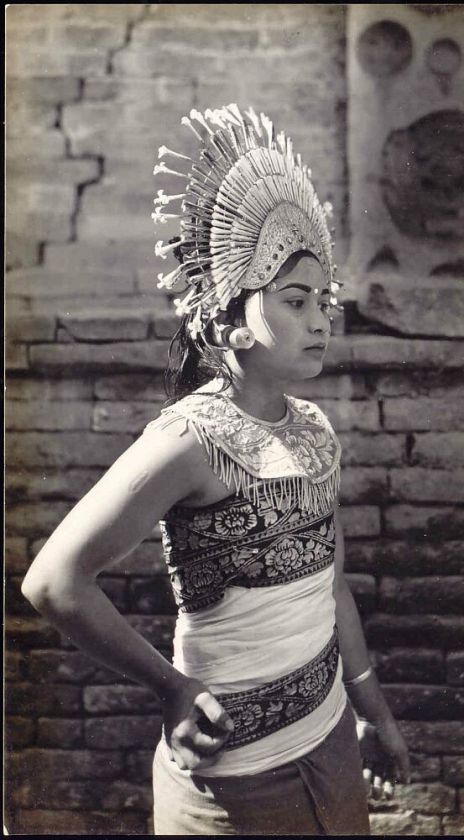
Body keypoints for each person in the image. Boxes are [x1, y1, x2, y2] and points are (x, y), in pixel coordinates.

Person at [21, 104, 410, 836]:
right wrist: (170, 687)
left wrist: (374, 712)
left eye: (322, 301)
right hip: (233, 786)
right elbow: (53, 580)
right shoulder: (188, 442)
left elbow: (331, 587)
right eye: (295, 301)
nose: (321, 320)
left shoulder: (317, 432)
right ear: (228, 322)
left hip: (330, 747)